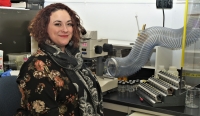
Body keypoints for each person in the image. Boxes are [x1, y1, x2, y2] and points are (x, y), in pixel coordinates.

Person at [15, 3, 103, 116]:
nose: (65, 29)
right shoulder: (36, 66)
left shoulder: (74, 59)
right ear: (44, 28)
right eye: (58, 24)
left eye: (69, 24)